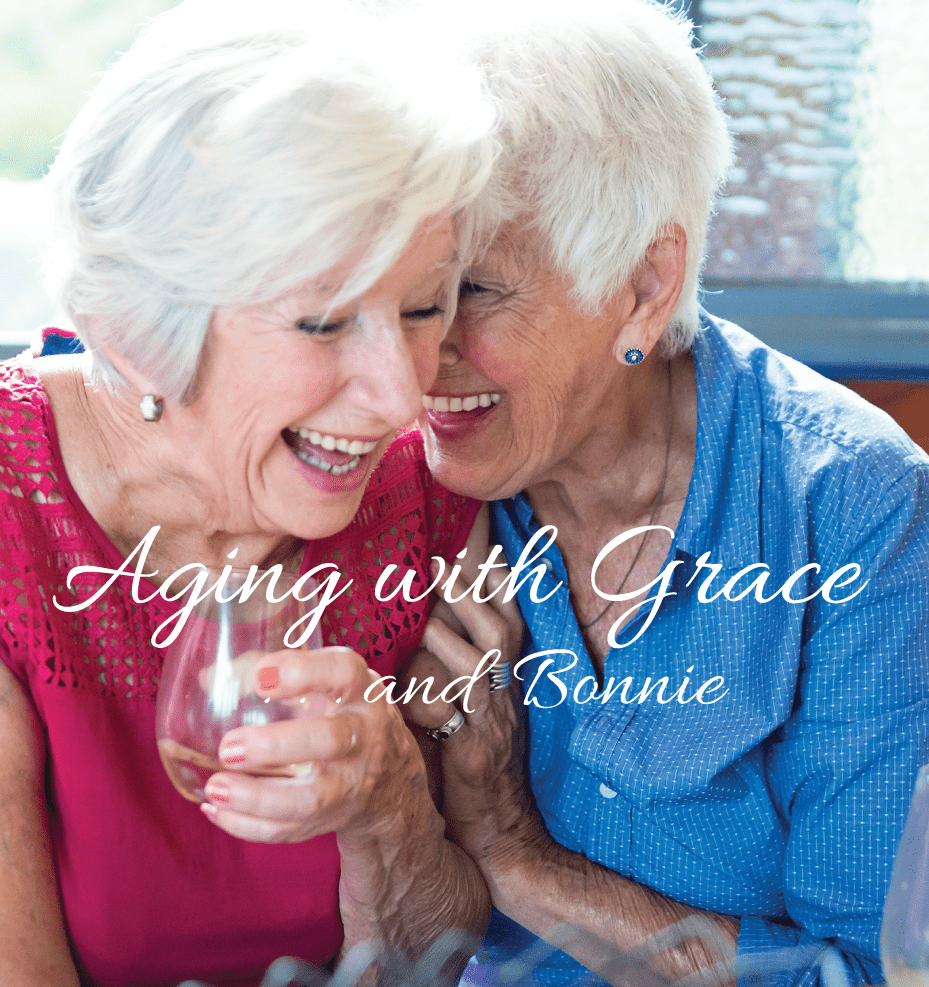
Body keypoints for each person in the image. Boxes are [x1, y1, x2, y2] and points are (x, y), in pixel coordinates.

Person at [400, 0, 929, 984]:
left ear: (643, 285)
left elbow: (862, 970)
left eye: (474, 291)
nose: (417, 353)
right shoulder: (386, 483)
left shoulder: (855, 510)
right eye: (407, 292)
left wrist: (514, 853)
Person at [0, 2, 498, 984]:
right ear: (137, 324)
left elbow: (441, 957)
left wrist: (391, 805)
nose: (404, 393)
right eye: (321, 323)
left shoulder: (430, 496)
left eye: (421, 305)